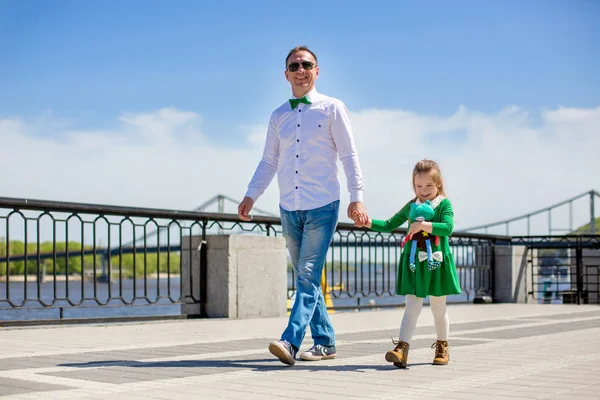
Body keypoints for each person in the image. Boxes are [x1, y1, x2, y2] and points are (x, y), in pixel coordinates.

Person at [238, 45, 368, 366]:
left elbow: (349, 155)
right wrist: (251, 194)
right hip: (288, 206)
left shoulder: (332, 108)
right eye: (294, 65)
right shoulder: (278, 115)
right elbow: (269, 161)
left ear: (316, 71)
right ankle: (325, 342)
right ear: (286, 74)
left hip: (323, 204)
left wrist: (357, 197)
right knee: (304, 277)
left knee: (308, 274)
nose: (300, 69)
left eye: (306, 64)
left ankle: (290, 341)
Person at [353, 159, 461, 368]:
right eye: (419, 186)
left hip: (436, 262)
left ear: (438, 184)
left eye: (429, 185)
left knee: (438, 307)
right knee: (412, 306)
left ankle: (442, 346)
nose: (423, 190)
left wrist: (423, 225)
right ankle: (402, 349)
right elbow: (389, 224)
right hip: (415, 263)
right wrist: (367, 222)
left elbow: (447, 228)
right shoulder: (412, 205)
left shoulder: (444, 204)